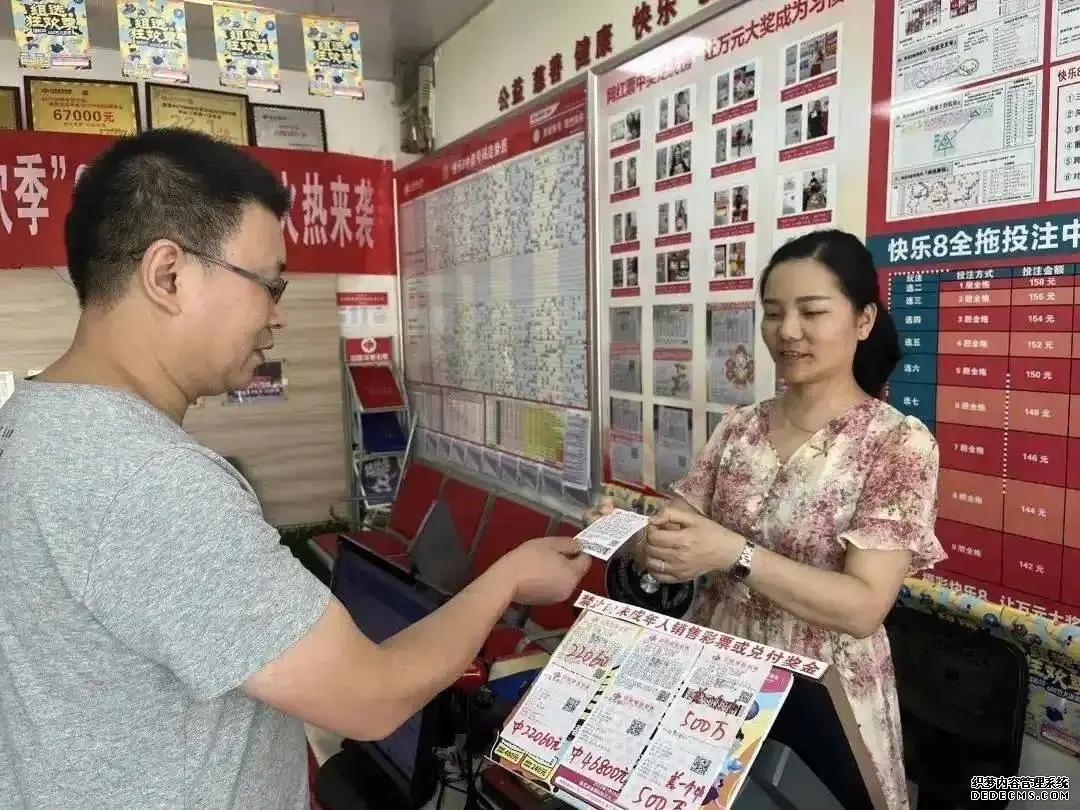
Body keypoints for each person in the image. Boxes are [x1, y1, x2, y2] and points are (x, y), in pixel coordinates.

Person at [0, 128, 590, 808]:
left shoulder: (30, 424)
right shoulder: (147, 479)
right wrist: (508, 578)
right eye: (269, 284)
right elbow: (371, 698)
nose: (276, 316)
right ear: (168, 276)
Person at [587, 230, 945, 809]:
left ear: (863, 320)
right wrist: (634, 539)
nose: (788, 331)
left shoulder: (897, 444)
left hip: (823, 696)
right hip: (715, 677)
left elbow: (863, 607)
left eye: (812, 312)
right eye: (774, 313)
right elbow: (681, 541)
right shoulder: (740, 427)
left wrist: (735, 554)